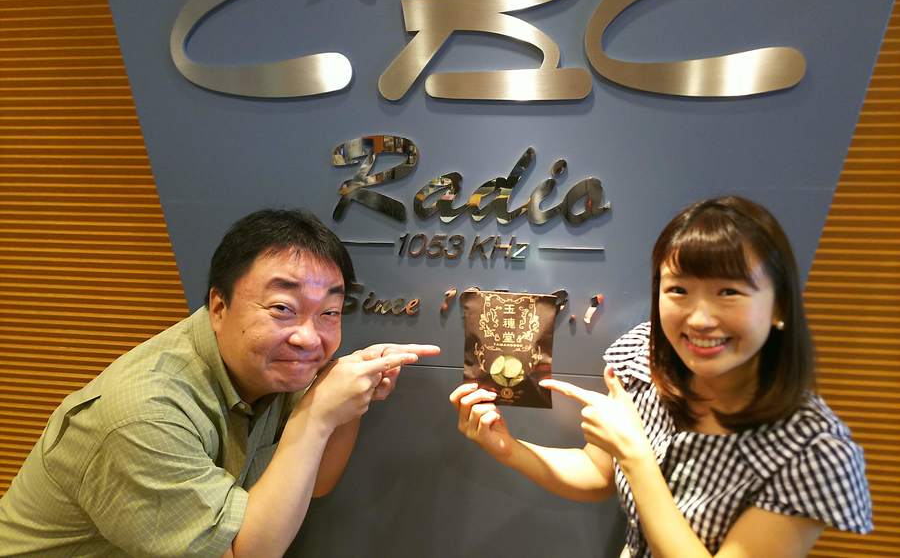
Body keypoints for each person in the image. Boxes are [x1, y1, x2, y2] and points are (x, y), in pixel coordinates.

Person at [0, 208, 440, 557]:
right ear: (218, 306)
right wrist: (318, 416)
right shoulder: (144, 413)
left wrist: (344, 399)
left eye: (329, 312)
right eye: (282, 308)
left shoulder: (268, 363)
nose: (309, 337)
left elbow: (316, 483)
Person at [451, 196, 872, 557]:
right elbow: (598, 473)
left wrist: (635, 454)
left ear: (780, 306)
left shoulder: (815, 452)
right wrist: (508, 448)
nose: (700, 318)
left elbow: (629, 460)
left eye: (729, 292)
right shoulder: (644, 357)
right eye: (678, 290)